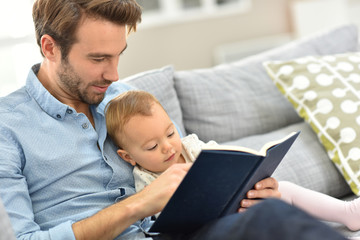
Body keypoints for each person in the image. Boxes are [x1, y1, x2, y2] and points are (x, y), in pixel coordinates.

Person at [0, 0, 348, 239]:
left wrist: (245, 193)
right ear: (49, 47)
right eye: (99, 58)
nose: (114, 73)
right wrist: (139, 206)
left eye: (119, 55)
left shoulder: (127, 98)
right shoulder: (8, 127)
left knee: (269, 216)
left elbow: (188, 176)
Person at [106, 90, 360, 233]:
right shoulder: (146, 181)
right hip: (209, 228)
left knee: (286, 191)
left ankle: (347, 212)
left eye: (170, 132)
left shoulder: (191, 146)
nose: (167, 146)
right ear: (128, 157)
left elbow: (225, 158)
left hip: (240, 204)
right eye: (151, 146)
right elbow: (161, 219)